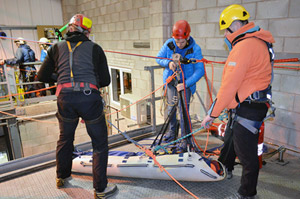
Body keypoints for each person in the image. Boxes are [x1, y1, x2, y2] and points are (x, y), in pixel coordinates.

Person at [37, 14, 117, 199]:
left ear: (69, 28)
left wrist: (62, 80)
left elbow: (41, 76)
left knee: (65, 139)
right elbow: (105, 80)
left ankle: (61, 177)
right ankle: (100, 189)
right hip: (89, 99)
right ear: (87, 32)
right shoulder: (95, 49)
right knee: (99, 144)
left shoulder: (55, 48)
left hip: (65, 99)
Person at [201, 4, 275, 199]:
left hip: (248, 108)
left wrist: (212, 114)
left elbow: (229, 86)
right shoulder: (256, 42)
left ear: (234, 25)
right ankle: (225, 167)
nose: (225, 33)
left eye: (226, 29)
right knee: (231, 138)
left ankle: (247, 193)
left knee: (247, 154)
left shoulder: (244, 46)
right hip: (247, 105)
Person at [156, 20, 205, 153]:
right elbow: (158, 58)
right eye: (177, 41)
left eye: (182, 41)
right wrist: (169, 64)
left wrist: (186, 84)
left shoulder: (195, 49)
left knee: (183, 111)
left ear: (188, 37)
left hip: (186, 84)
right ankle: (172, 134)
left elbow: (200, 70)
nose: (179, 44)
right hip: (171, 83)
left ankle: (185, 139)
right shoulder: (169, 44)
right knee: (170, 108)